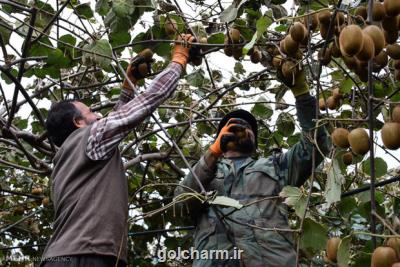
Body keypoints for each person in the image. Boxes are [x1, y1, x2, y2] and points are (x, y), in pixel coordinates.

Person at [41, 34, 194, 267]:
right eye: (92, 111)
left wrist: (128, 83)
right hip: (85, 256)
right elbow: (148, 100)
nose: (99, 115)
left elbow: (115, 124)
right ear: (79, 122)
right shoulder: (90, 139)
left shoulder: (65, 160)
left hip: (65, 255)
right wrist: (178, 60)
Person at [174, 75, 331, 267]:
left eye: (247, 127)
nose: (241, 129)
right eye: (231, 127)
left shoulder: (275, 167)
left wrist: (302, 94)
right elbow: (179, 206)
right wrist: (212, 154)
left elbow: (316, 146)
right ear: (219, 138)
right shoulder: (205, 172)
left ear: (255, 142)